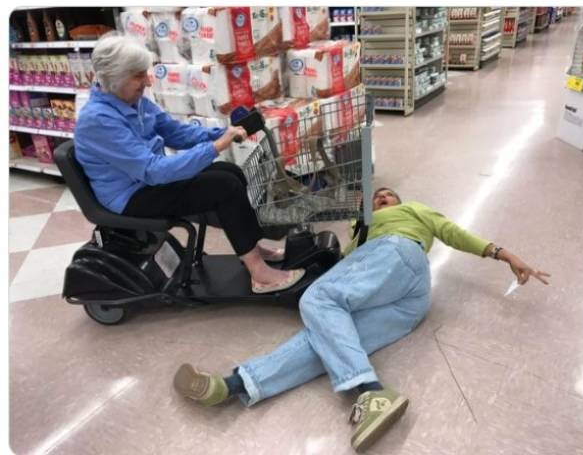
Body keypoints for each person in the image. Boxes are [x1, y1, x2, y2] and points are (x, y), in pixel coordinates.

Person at [173, 187, 550, 452]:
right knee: (329, 339)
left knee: (318, 299)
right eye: (377, 196)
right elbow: (347, 266)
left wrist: (503, 254)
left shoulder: (412, 212)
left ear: (401, 203)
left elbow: (452, 232)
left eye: (389, 196)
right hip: (408, 306)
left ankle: (370, 393)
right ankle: (233, 385)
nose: (382, 198)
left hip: (400, 255)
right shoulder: (360, 232)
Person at [75, 33, 304, 294]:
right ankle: (259, 273)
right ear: (114, 79)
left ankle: (251, 247)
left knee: (230, 172)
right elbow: (152, 170)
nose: (147, 81)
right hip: (130, 196)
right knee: (222, 186)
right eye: (138, 76)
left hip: (145, 181)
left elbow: (177, 133)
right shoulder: (99, 121)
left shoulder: (133, 102)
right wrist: (215, 147)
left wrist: (222, 133)